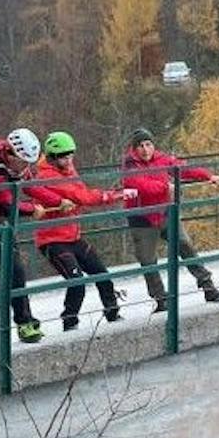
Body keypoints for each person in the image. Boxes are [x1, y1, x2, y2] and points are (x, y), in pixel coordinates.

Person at [0, 128, 68, 344]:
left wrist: (58, 201)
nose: (26, 168)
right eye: (23, 162)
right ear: (10, 155)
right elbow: (8, 203)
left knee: (15, 271)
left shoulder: (14, 165)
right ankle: (24, 323)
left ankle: (26, 320)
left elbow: (31, 187)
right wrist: (32, 210)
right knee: (15, 271)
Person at [32, 132, 138, 332]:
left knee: (101, 273)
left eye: (71, 156)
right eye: (64, 157)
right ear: (53, 158)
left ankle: (112, 312)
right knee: (77, 280)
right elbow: (82, 196)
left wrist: (106, 195)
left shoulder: (68, 169)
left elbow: (81, 192)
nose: (69, 160)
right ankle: (70, 322)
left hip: (72, 235)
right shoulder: (47, 176)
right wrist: (114, 195)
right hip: (52, 240)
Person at [120, 127, 219, 311]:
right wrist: (164, 187)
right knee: (148, 260)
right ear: (134, 149)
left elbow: (183, 169)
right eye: (141, 146)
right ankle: (161, 299)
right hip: (142, 218)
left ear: (153, 145)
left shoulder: (162, 159)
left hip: (165, 213)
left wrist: (208, 176)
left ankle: (207, 285)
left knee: (185, 246)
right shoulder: (129, 165)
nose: (145, 150)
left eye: (148, 144)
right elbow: (139, 185)